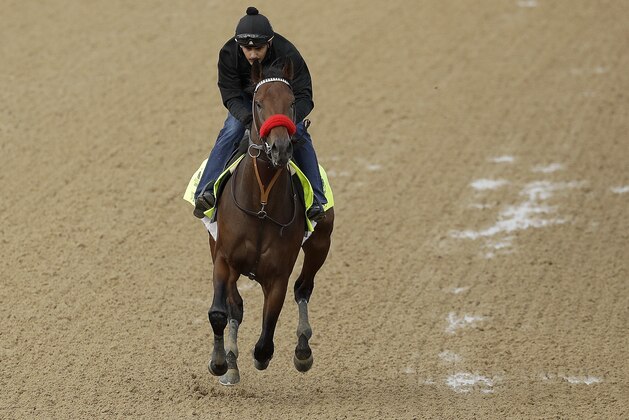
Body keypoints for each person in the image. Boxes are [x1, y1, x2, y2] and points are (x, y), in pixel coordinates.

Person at [194, 6, 326, 221]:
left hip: (281, 105)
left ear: (270, 43)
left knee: (300, 133)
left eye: (259, 48)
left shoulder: (288, 53)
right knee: (231, 130)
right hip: (249, 104)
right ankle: (205, 191)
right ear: (239, 45)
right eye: (247, 49)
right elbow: (230, 94)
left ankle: (316, 201)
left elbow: (304, 95)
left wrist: (287, 119)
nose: (253, 54)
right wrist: (248, 119)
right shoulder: (228, 54)